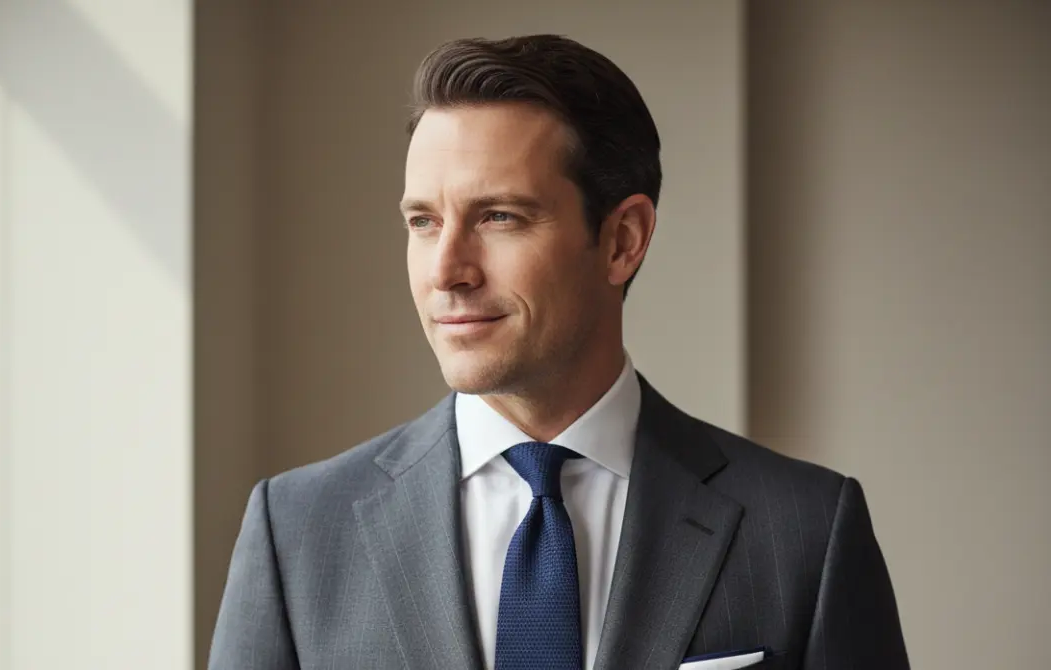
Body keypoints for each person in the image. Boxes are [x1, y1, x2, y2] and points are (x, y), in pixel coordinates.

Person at [208, 35, 908, 670]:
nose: (446, 270)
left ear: (622, 240)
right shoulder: (296, 530)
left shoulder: (808, 530)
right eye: (423, 221)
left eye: (498, 217)